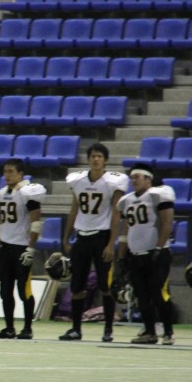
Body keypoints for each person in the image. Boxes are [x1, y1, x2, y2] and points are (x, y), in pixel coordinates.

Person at [60, 143, 128, 342]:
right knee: (77, 286)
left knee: (105, 285)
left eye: (99, 156)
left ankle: (108, 329)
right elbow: (74, 209)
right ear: (88, 159)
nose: (96, 159)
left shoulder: (112, 182)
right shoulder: (78, 180)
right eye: (93, 156)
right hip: (82, 237)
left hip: (101, 237)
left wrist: (111, 243)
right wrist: (66, 236)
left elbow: (116, 213)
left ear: (105, 160)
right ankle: (76, 328)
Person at [115, 163, 175, 345]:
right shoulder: (126, 201)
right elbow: (125, 230)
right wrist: (121, 256)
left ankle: (168, 331)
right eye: (132, 177)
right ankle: (149, 332)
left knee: (158, 293)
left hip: (156, 253)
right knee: (142, 296)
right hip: (136, 254)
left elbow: (167, 224)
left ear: (148, 178)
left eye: (137, 177)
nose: (133, 180)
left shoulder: (158, 195)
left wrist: (158, 248)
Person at [0, 159, 46, 340]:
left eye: (11, 171)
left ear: (20, 174)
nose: (7, 175)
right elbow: (0, 224)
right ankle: (9, 328)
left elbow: (36, 222)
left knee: (24, 290)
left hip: (21, 248)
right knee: (5, 291)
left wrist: (31, 248)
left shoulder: (28, 193)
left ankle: (28, 328)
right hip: (5, 248)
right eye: (5, 171)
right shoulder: (1, 194)